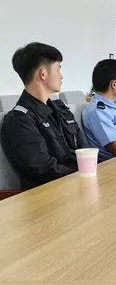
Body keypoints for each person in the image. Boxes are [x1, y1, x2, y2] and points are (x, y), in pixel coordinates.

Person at [0, 42, 87, 189]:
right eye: (58, 69)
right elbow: (43, 168)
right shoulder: (20, 120)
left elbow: (84, 150)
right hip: (52, 193)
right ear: (43, 74)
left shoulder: (61, 110)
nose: (61, 76)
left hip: (80, 182)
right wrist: (84, 176)